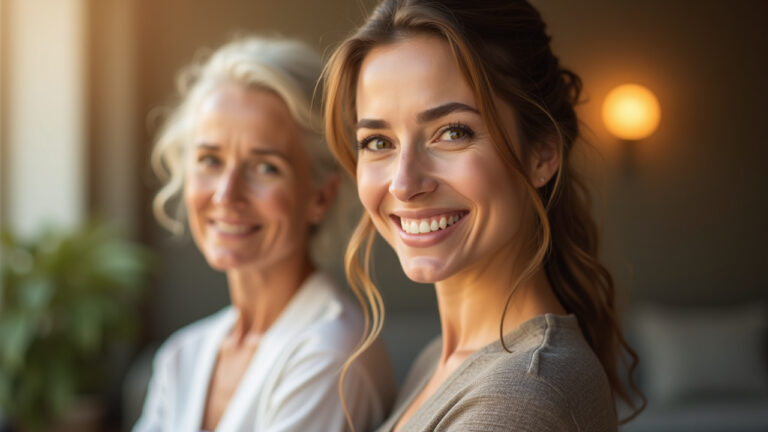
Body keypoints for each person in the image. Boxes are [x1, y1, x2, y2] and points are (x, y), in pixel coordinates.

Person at [323, 1, 645, 430]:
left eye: (453, 132)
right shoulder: (438, 361)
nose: (404, 183)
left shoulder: (521, 398)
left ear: (542, 153)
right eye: (378, 141)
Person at [134, 36, 395, 432]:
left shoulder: (331, 354)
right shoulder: (182, 356)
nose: (226, 194)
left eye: (265, 167)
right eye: (210, 160)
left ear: (319, 197)